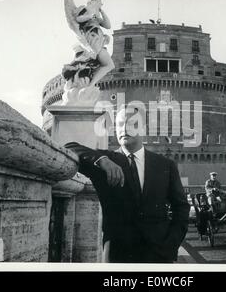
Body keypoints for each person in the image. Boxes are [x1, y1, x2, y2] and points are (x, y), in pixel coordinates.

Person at [65, 106, 190, 263]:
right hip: (118, 255)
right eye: (120, 124)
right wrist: (101, 160)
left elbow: (181, 207)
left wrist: (171, 244)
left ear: (143, 129)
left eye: (132, 124)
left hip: (158, 254)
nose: (124, 129)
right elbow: (68, 147)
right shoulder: (105, 160)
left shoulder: (165, 165)